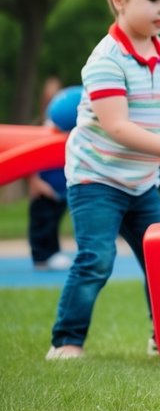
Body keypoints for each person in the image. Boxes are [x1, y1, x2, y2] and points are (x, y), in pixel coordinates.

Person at [46, 0, 160, 360]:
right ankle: (66, 341)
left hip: (140, 181)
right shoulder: (106, 60)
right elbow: (117, 126)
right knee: (96, 259)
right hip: (96, 177)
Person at [27, 80, 83, 271]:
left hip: (62, 184)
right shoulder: (42, 129)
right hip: (45, 185)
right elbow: (28, 159)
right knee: (43, 219)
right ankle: (42, 255)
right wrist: (35, 182)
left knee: (54, 218)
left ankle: (52, 252)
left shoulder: (70, 130)